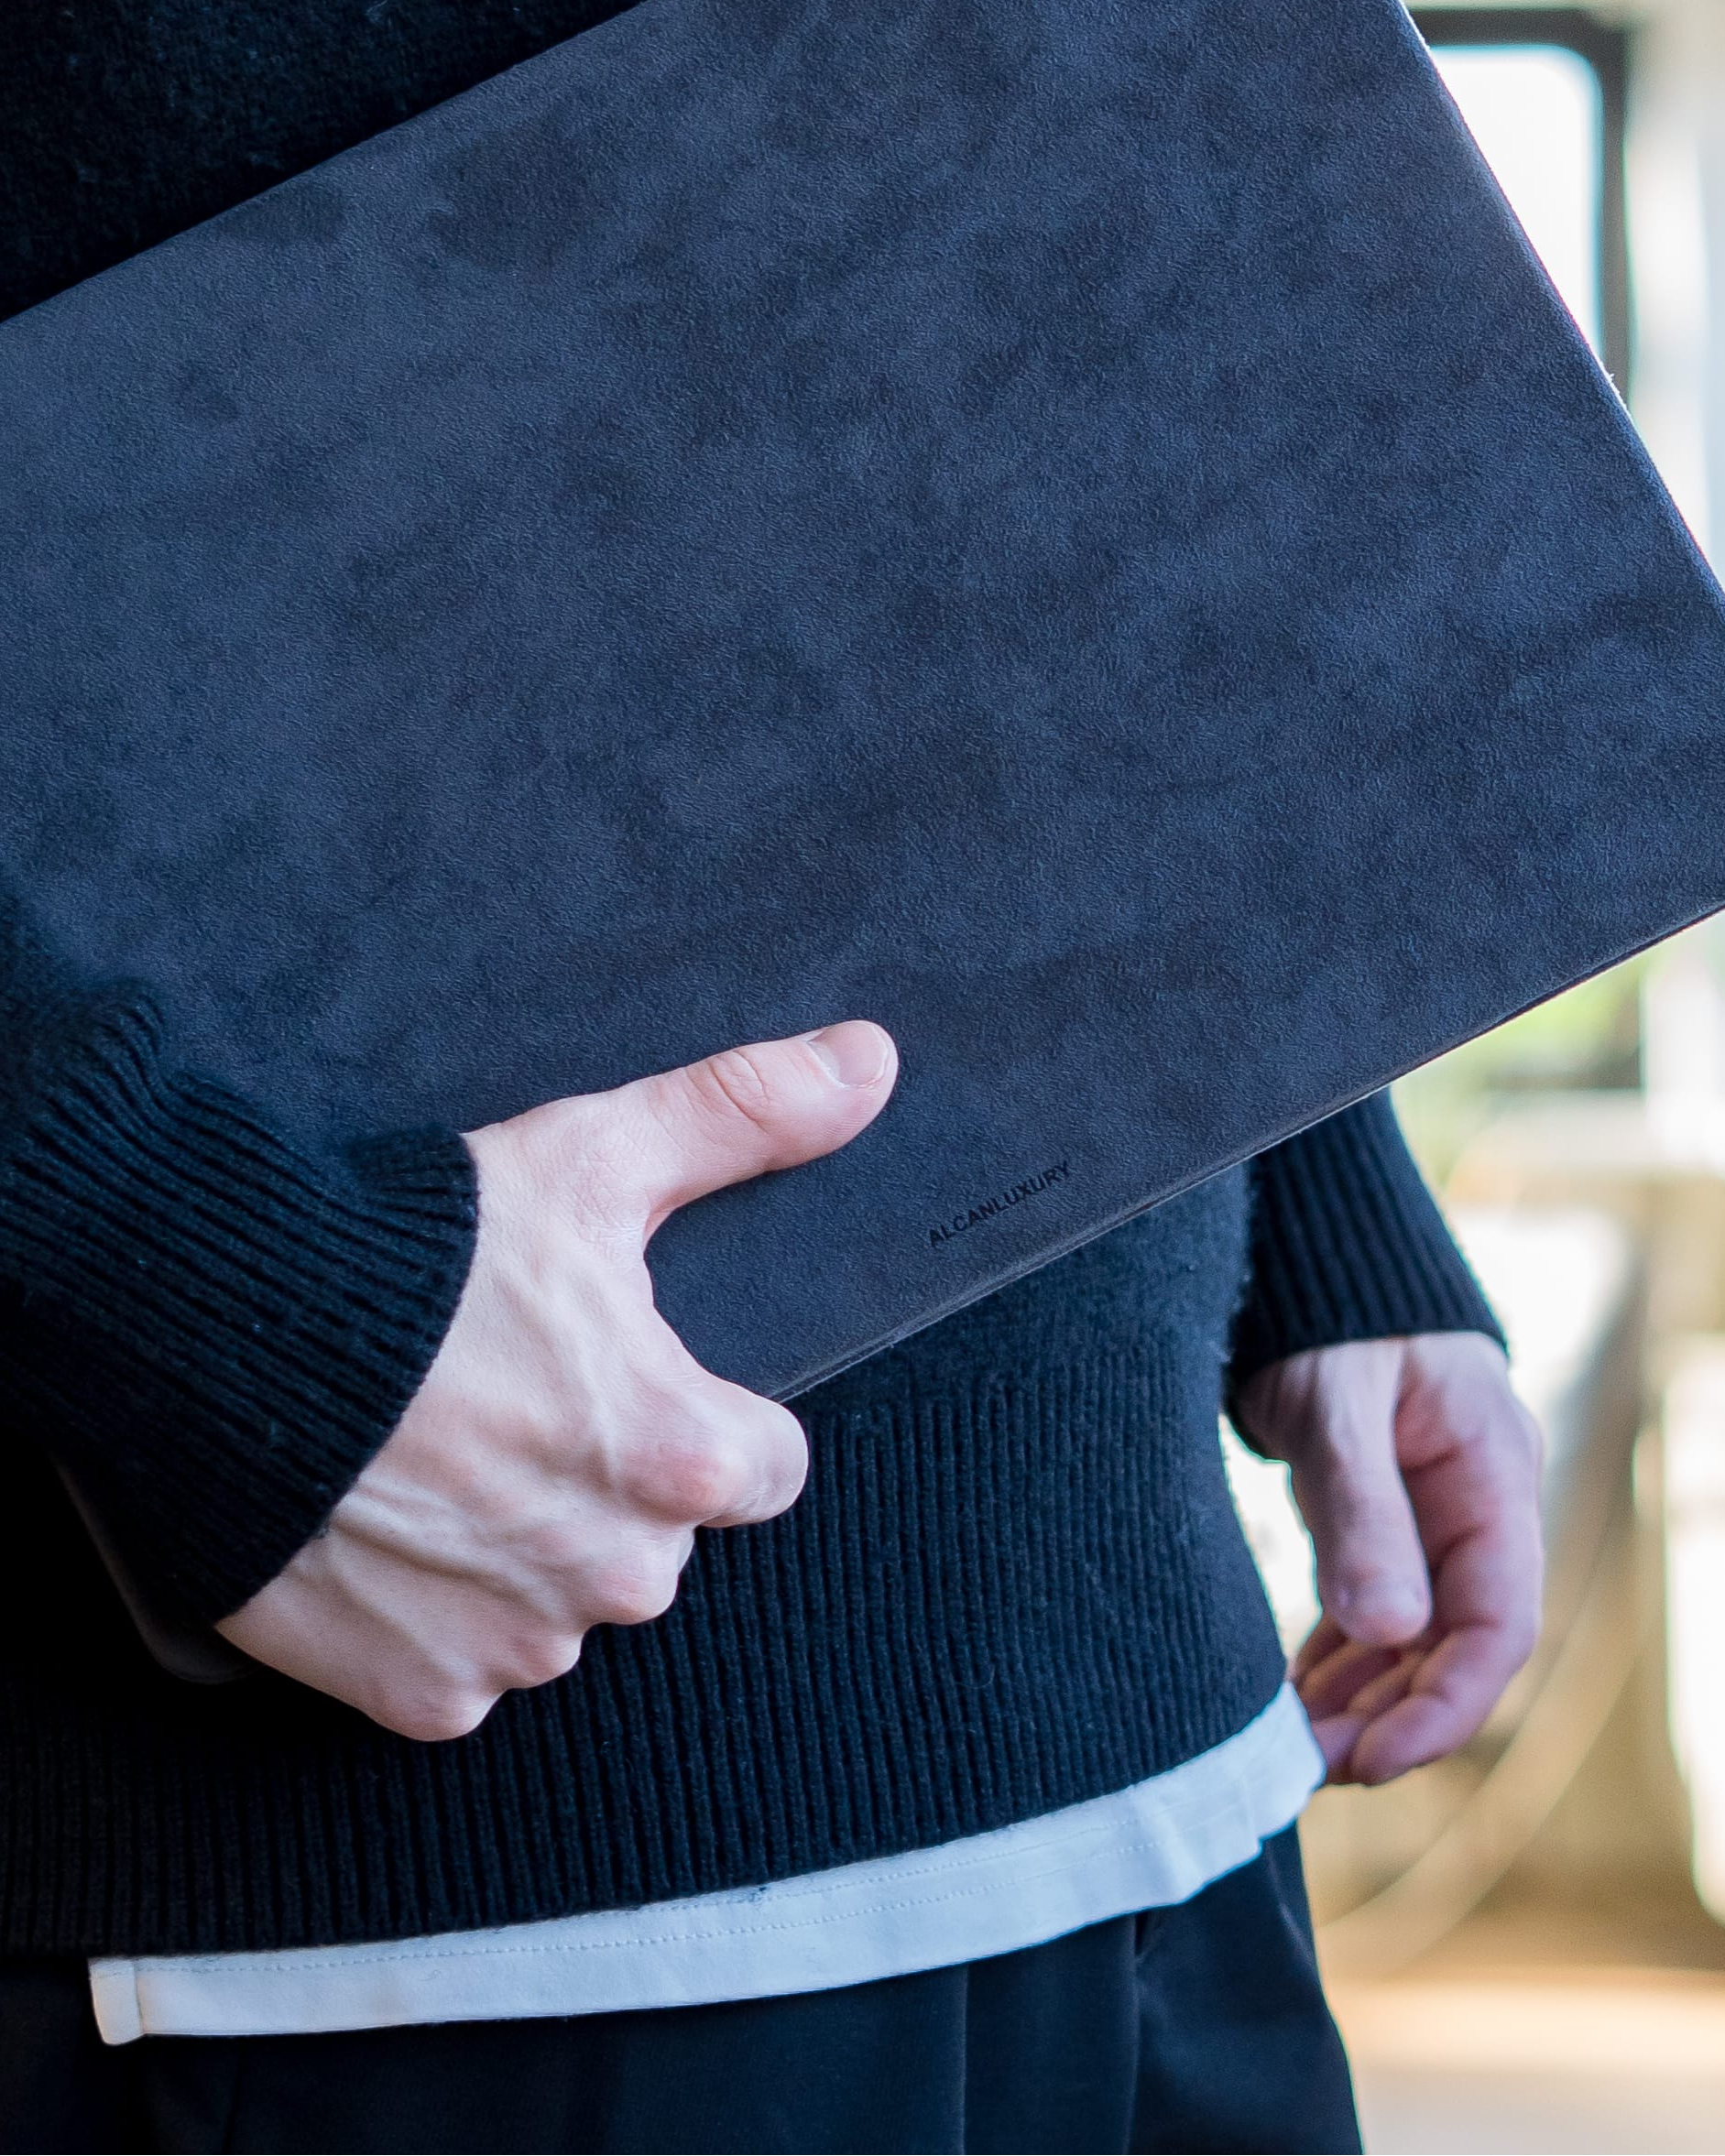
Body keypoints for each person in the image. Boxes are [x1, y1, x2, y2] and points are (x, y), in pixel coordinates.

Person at [0, 6, 1544, 2152]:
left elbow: (1003, 231)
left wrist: (1309, 1153)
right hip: (373, 1912)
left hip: (1158, 1761)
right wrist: (173, 1278)